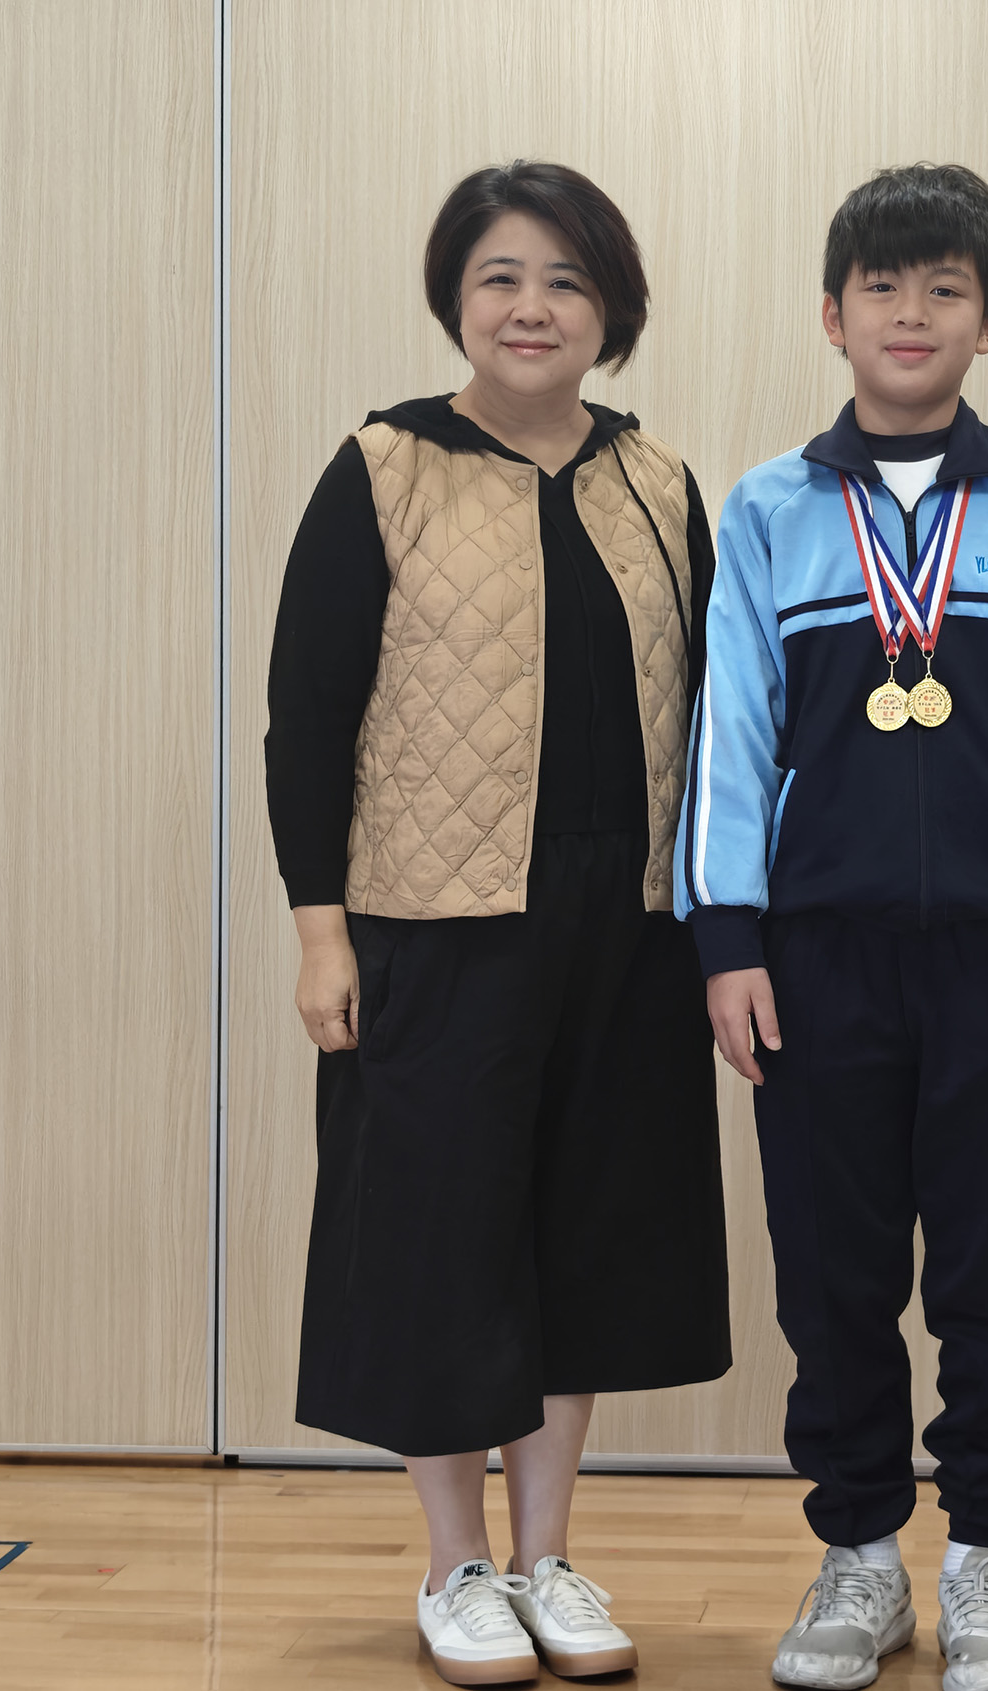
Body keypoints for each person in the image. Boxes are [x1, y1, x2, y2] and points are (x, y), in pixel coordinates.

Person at [679, 163, 988, 1691]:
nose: (911, 313)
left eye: (945, 288)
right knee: (834, 1270)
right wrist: (726, 938)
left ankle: (987, 1558)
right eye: (880, 287)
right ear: (832, 316)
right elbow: (731, 733)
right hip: (815, 957)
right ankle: (861, 1557)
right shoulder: (770, 508)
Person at [265, 161, 731, 1687]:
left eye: (566, 282)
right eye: (502, 279)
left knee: (581, 1237)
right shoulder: (385, 467)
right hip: (437, 920)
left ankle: (547, 1560)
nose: (534, 308)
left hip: (627, 922)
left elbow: (718, 715)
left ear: (612, 308)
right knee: (442, 1242)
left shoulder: (657, 481)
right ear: (456, 300)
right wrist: (321, 931)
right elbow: (307, 718)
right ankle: (455, 1566)